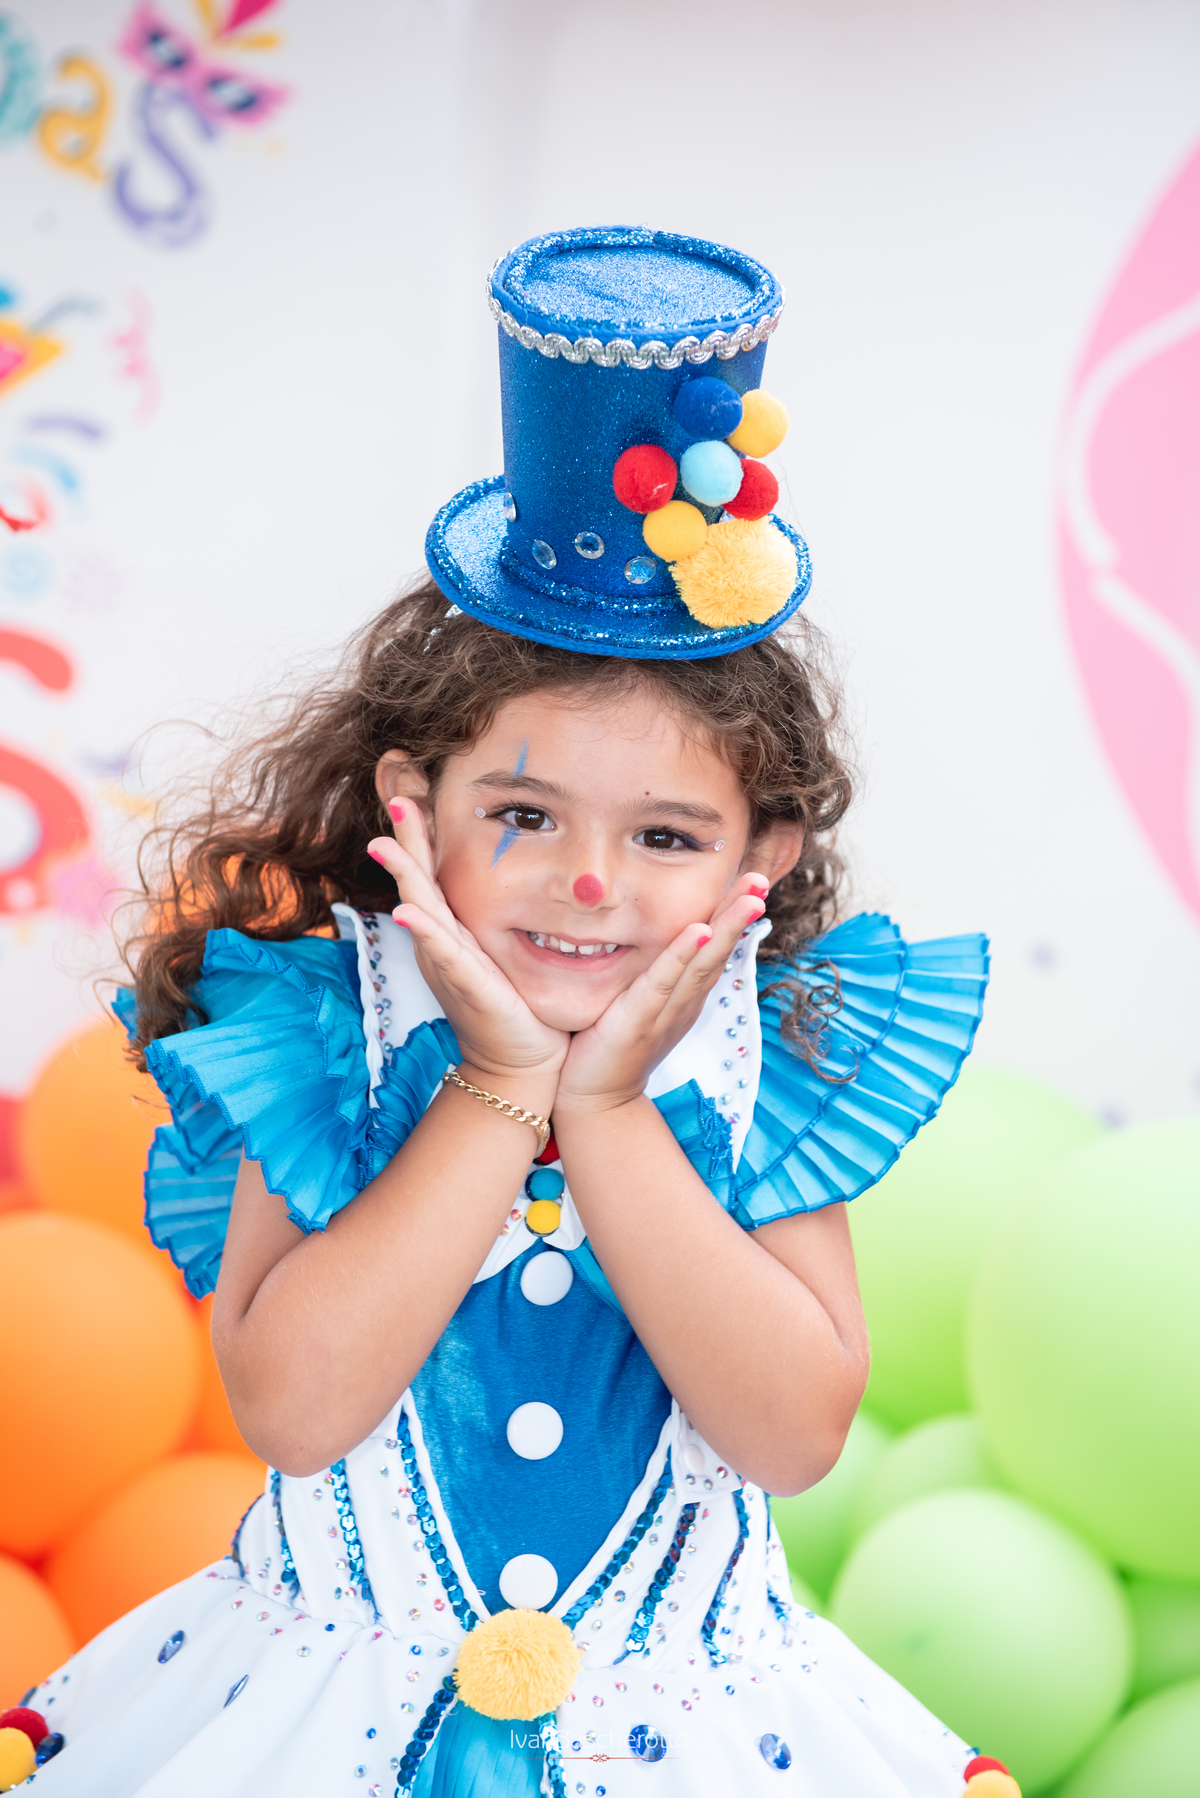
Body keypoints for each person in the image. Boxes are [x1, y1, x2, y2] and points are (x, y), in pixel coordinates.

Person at [22, 228, 993, 1798]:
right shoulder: (332, 1035)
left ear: (760, 859)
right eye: (526, 815)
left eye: (665, 835)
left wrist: (602, 1111)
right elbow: (296, 1408)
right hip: (323, 1714)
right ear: (414, 804)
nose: (589, 882)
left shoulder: (767, 1062)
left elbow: (792, 1432)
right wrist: (497, 1083)